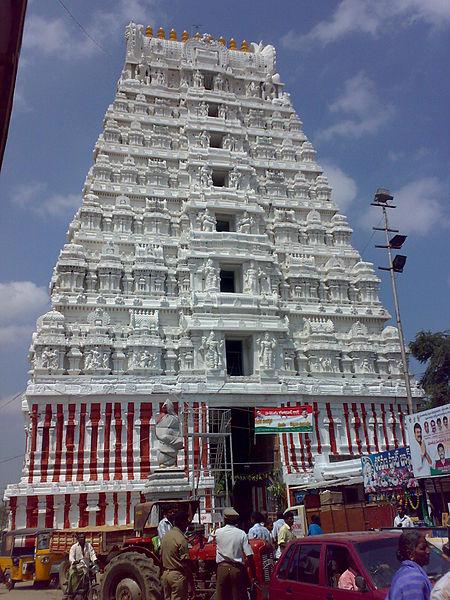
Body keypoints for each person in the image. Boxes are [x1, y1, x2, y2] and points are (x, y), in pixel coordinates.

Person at [215, 507, 255, 600]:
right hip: (236, 569)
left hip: (222, 569)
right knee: (238, 596)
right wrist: (253, 575)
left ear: (224, 519)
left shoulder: (218, 532)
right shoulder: (241, 534)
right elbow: (249, 555)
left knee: (221, 596)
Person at [386, 530, 431, 600]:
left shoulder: (402, 574)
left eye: (427, 547)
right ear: (410, 554)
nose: (428, 551)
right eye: (423, 548)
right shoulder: (413, 578)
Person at [160, 511, 195, 600]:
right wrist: (191, 584)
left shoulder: (165, 537)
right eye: (186, 523)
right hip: (177, 576)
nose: (187, 526)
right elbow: (186, 564)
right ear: (182, 523)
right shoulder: (181, 539)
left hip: (165, 575)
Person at [64, 532, 97, 600]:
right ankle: (69, 592)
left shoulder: (88, 545)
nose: (82, 539)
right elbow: (71, 557)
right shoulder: (74, 547)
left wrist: (95, 560)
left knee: (93, 575)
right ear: (78, 539)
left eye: (83, 538)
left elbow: (92, 553)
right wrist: (74, 561)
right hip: (77, 567)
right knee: (72, 574)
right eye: (81, 538)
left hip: (86, 567)